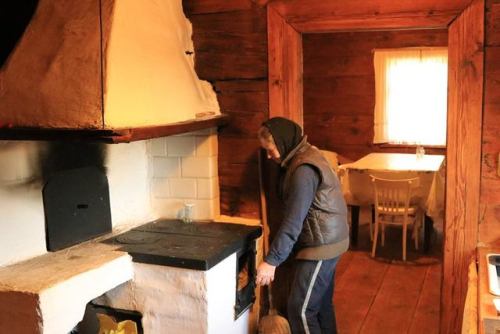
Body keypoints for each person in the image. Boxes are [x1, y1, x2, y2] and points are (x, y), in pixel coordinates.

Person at [256, 117, 349, 334]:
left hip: (322, 245)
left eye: (270, 150)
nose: (269, 157)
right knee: (321, 306)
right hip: (331, 237)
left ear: (283, 142)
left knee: (301, 310)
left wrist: (271, 261)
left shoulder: (302, 170)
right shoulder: (305, 154)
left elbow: (293, 221)